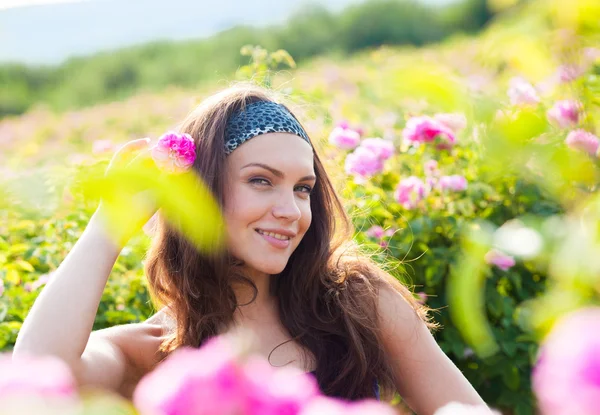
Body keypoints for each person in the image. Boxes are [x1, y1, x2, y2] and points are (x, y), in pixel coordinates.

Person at [13, 84, 487, 414]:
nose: (291, 210)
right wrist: (109, 226)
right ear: (203, 191)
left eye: (303, 188)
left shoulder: (359, 302)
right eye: (261, 181)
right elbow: (38, 374)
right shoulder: (156, 353)